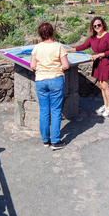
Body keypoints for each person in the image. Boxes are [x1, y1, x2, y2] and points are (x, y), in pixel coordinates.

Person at [30, 22, 69, 150]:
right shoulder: (59, 47)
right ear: (53, 32)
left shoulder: (36, 48)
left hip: (40, 80)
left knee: (44, 111)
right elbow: (66, 65)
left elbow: (32, 66)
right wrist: (58, 67)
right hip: (55, 79)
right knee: (56, 111)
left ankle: (45, 140)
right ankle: (56, 141)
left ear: (40, 35)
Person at [67, 17, 109, 117]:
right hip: (98, 64)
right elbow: (83, 46)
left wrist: (99, 55)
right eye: (95, 26)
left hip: (106, 63)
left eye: (99, 25)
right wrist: (69, 50)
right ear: (92, 27)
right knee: (101, 86)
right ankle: (106, 106)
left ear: (103, 25)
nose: (97, 27)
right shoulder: (92, 38)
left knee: (105, 86)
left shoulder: (108, 36)